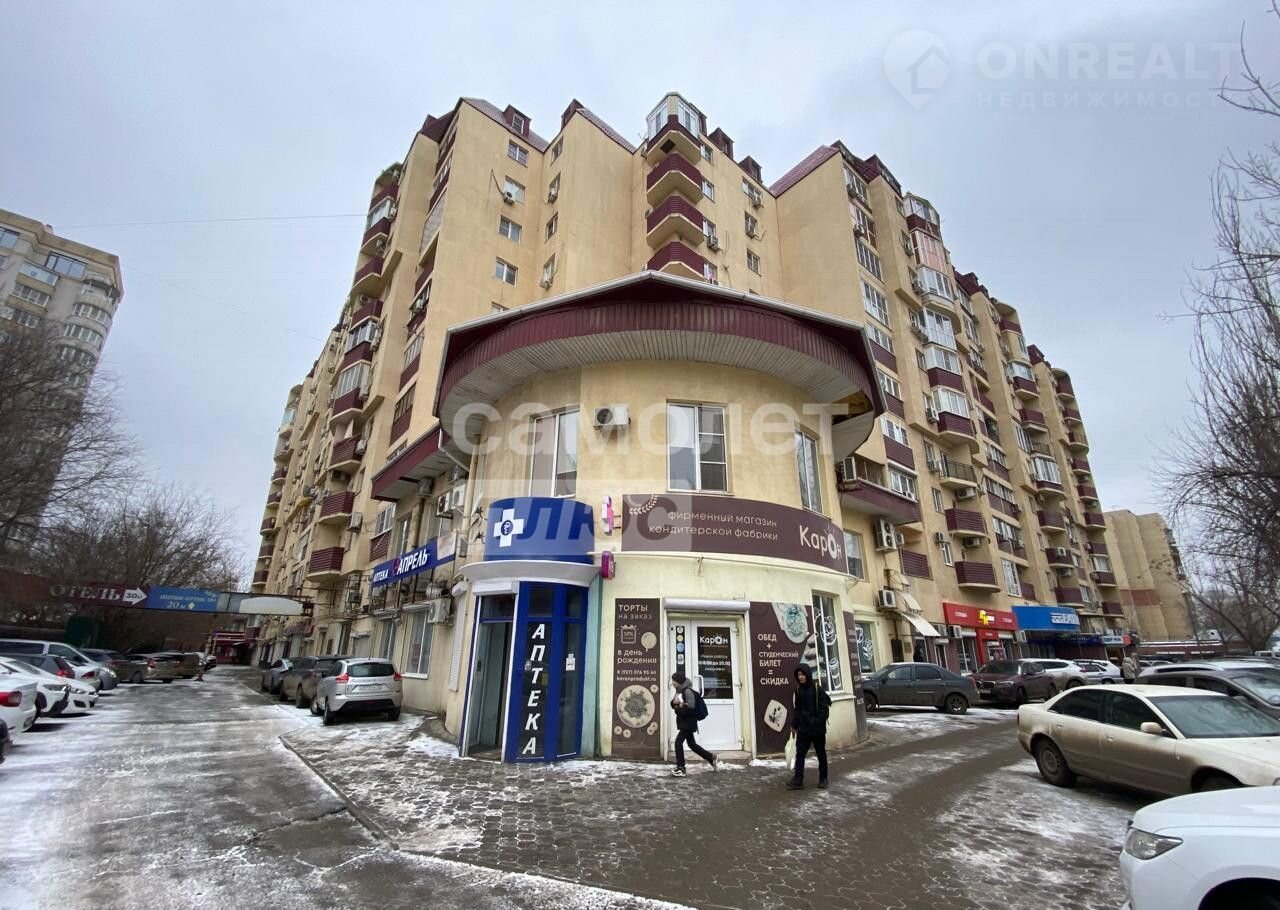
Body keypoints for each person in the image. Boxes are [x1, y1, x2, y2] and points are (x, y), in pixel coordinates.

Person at [787, 663, 831, 790]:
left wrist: (816, 721)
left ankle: (823, 779)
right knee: (800, 754)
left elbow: (824, 709)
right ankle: (798, 779)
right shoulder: (798, 690)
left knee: (821, 754)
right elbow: (797, 709)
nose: (801, 677)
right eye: (798, 675)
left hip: (817, 730)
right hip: (804, 729)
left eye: (803, 674)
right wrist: (794, 725)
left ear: (808, 674)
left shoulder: (817, 689)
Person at [669, 671, 717, 776]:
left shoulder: (687, 691)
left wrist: (678, 708)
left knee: (678, 743)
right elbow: (674, 704)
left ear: (679, 681)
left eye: (674, 680)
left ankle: (681, 768)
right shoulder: (679, 691)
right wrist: (674, 704)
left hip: (688, 722)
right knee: (692, 744)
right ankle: (711, 757)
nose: (672, 682)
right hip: (684, 721)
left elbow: (691, 709)